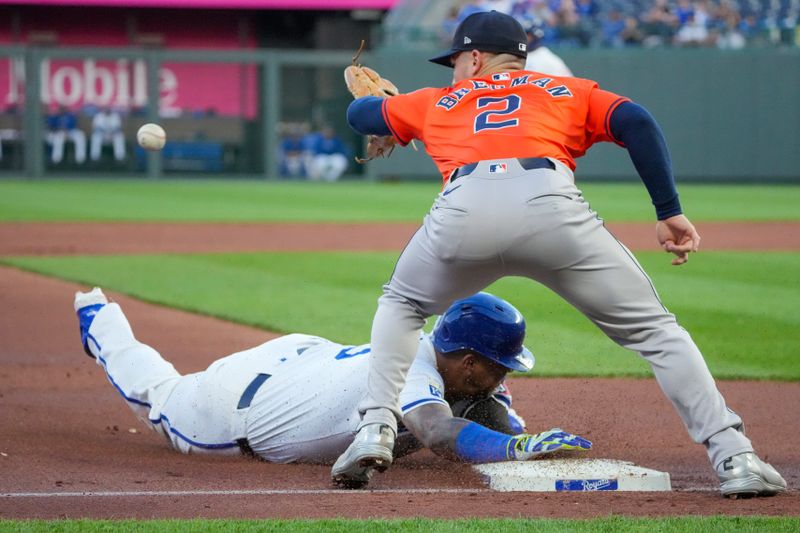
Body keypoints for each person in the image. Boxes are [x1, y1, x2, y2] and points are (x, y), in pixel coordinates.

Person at [335, 10, 786, 498]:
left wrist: (388, 107)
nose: (454, 71)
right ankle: (734, 456)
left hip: (463, 208)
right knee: (656, 331)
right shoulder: (566, 90)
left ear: (474, 56)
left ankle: (375, 428)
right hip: (550, 204)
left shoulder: (436, 100)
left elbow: (360, 116)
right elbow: (637, 121)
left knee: (402, 305)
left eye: (455, 61)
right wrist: (668, 210)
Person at [74, 287, 590, 486]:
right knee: (159, 393)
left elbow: (495, 422)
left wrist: (513, 437)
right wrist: (515, 447)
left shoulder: (457, 365)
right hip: (234, 408)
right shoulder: (415, 365)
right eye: (501, 366)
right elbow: (434, 431)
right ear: (471, 361)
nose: (506, 375)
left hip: (304, 357)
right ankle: (98, 316)